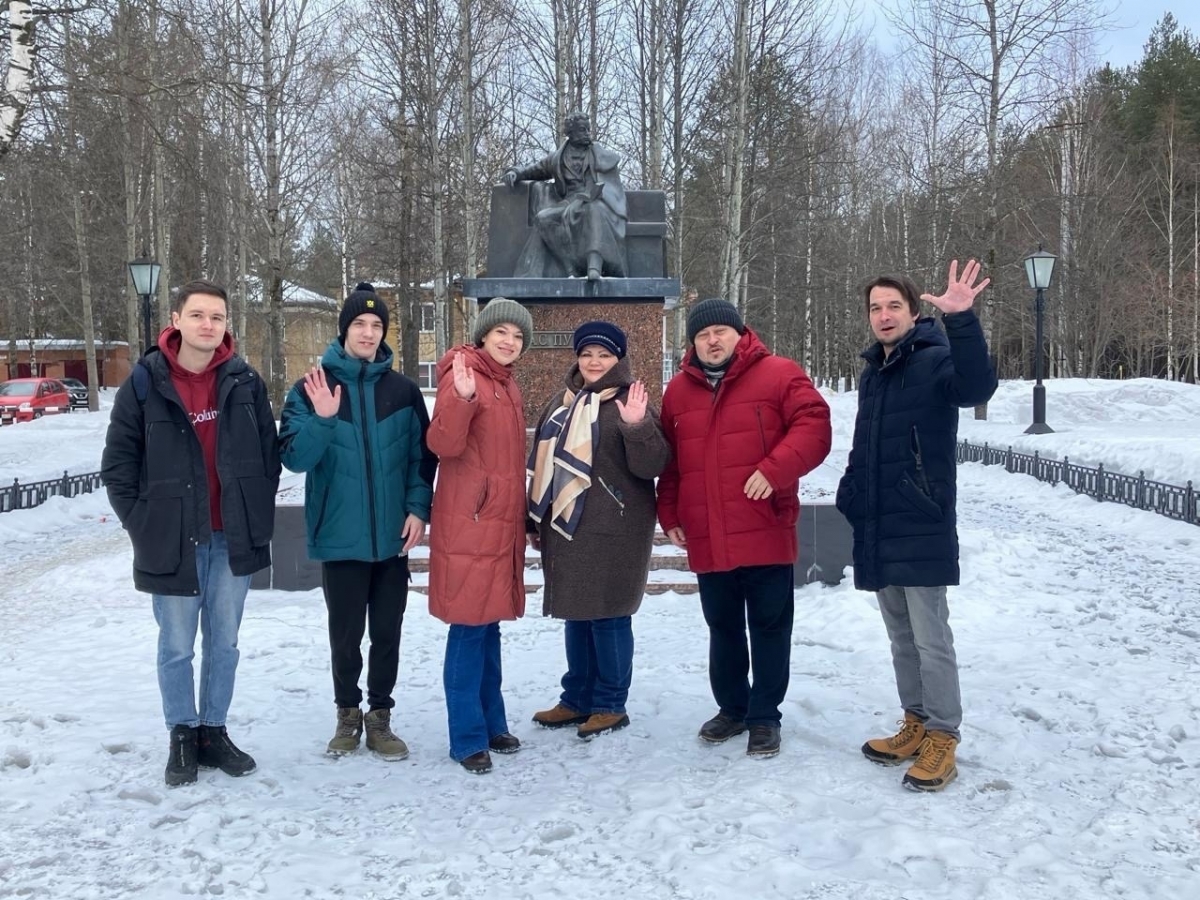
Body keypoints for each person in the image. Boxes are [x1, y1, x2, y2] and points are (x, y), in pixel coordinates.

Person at [101, 279, 280, 787]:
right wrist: (143, 526)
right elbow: (118, 467)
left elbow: (268, 458)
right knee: (177, 645)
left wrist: (254, 513)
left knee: (224, 643)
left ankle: (213, 731)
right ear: (176, 320)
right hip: (173, 540)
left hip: (231, 537)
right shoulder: (145, 383)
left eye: (217, 317)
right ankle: (182, 732)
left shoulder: (244, 382)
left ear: (226, 325)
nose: (208, 325)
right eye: (198, 315)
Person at [836, 260, 997, 792]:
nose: (883, 315)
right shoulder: (873, 372)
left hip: (921, 519)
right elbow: (865, 441)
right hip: (880, 522)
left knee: (931, 639)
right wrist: (852, 491)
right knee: (901, 637)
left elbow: (976, 386)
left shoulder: (934, 358)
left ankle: (943, 735)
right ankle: (917, 721)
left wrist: (962, 320)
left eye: (893, 306)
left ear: (912, 312)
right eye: (875, 308)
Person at [657, 298, 831, 759]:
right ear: (693, 343)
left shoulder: (778, 374)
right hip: (708, 532)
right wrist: (669, 513)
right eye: (702, 334)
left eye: (720, 331)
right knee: (723, 627)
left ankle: (764, 716)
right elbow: (672, 461)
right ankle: (732, 709)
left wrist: (775, 470)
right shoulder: (677, 392)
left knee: (770, 627)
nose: (712, 341)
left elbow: (815, 426)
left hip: (764, 525)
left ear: (740, 333)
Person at [278, 282, 436, 760]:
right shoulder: (312, 387)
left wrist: (418, 509)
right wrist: (324, 418)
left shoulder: (404, 391)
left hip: (391, 538)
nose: (368, 333)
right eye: (360, 324)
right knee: (345, 636)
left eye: (377, 325)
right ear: (344, 329)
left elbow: (421, 458)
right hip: (340, 535)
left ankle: (380, 717)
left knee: (387, 632)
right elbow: (295, 458)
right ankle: (347, 714)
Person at [528, 322, 671, 739]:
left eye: (604, 355)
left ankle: (610, 703)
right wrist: (532, 519)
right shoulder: (561, 402)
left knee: (609, 615)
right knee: (576, 614)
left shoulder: (631, 400)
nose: (594, 362)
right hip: (566, 528)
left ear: (619, 359)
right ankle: (576, 699)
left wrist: (637, 426)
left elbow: (654, 465)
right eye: (587, 353)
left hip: (616, 529)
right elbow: (539, 467)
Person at [426, 298, 533, 774]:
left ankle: (492, 723)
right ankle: (467, 737)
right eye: (502, 332)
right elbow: (443, 444)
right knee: (469, 629)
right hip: (470, 524)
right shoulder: (464, 374)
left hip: (500, 523)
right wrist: (462, 399)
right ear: (484, 334)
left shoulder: (506, 383)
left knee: (488, 628)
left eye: (518, 336)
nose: (510, 341)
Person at [503, 112, 626, 280]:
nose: (587, 133)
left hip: (594, 200)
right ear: (571, 133)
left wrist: (595, 194)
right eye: (582, 130)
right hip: (568, 203)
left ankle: (594, 266)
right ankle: (570, 267)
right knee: (543, 218)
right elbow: (535, 170)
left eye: (588, 129)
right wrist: (516, 173)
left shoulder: (598, 154)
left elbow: (611, 185)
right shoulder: (558, 158)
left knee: (594, 210)